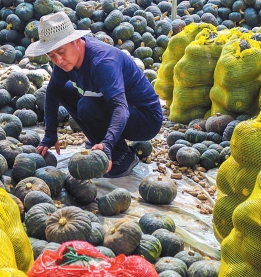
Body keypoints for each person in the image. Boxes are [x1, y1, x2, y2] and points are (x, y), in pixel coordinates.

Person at [28, 11, 163, 178]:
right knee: (64, 90)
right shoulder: (65, 61)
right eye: (51, 56)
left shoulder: (103, 62)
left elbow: (120, 107)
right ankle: (98, 139)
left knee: (87, 106)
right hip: (117, 107)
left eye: (61, 52)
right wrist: (50, 134)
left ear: (76, 41)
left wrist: (108, 144)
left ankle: (122, 156)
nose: (58, 60)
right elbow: (52, 92)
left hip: (145, 119)